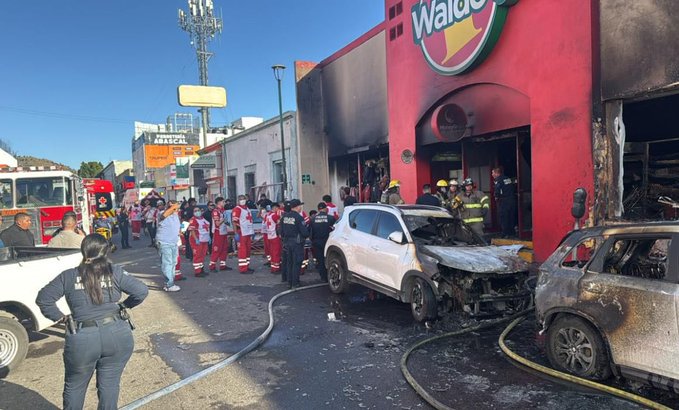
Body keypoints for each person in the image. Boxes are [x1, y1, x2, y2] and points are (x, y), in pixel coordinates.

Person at [35, 234, 148, 410]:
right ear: (105, 252)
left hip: (83, 337)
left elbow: (44, 299)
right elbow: (141, 291)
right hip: (117, 333)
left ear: (83, 251)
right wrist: (124, 305)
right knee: (110, 385)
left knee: (75, 387)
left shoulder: (69, 276)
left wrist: (61, 317)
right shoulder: (114, 271)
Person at [280, 199, 309, 289]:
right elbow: (305, 233)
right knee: (296, 262)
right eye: (300, 205)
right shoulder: (299, 217)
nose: (301, 207)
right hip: (296, 243)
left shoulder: (284, 217)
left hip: (287, 242)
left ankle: (289, 282)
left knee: (289, 262)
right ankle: (295, 283)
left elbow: (281, 231)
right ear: (297, 207)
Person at [156, 200, 183, 291]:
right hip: (164, 243)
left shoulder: (176, 216)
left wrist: (179, 232)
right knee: (167, 263)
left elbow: (176, 227)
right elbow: (164, 215)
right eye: (175, 208)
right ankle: (169, 284)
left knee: (173, 263)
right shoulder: (162, 213)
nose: (177, 209)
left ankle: (170, 282)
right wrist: (173, 206)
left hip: (173, 242)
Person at [310, 202, 336, 282]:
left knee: (320, 260)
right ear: (325, 209)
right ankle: (331, 276)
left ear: (318, 209)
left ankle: (323, 277)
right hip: (328, 241)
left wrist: (312, 241)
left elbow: (311, 232)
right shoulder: (331, 218)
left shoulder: (313, 219)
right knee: (330, 259)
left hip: (317, 242)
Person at [492, 167, 518, 238]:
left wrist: (496, 197)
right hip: (512, 200)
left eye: (493, 173)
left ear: (497, 173)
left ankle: (505, 233)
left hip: (504, 201)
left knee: (504, 217)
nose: (492, 174)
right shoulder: (508, 179)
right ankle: (512, 232)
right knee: (511, 216)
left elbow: (497, 190)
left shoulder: (498, 180)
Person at [208, 197, 232, 272]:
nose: (224, 203)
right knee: (216, 249)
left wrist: (227, 223)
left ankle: (223, 265)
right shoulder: (215, 211)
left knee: (224, 249)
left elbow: (225, 221)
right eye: (223, 202)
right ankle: (212, 266)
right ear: (219, 202)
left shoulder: (223, 211)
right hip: (218, 232)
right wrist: (223, 220)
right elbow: (217, 223)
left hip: (224, 232)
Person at [232, 195, 255, 273]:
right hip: (241, 232)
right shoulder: (237, 209)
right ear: (238, 200)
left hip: (248, 232)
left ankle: (247, 266)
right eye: (241, 199)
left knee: (248, 251)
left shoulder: (247, 209)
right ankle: (243, 268)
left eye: (244, 199)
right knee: (242, 251)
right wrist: (235, 233)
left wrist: (252, 231)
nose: (242, 200)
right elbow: (234, 222)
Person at [188, 207, 210, 277]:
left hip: (204, 239)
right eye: (195, 211)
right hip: (197, 240)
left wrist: (208, 237)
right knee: (197, 255)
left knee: (202, 255)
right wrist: (196, 239)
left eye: (198, 210)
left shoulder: (202, 219)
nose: (197, 212)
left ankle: (201, 269)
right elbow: (192, 230)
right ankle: (197, 272)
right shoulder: (193, 220)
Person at [264, 203, 282, 273]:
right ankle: (275, 268)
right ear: (275, 208)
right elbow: (279, 224)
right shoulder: (274, 215)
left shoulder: (268, 215)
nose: (278, 210)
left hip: (269, 235)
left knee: (272, 252)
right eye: (277, 208)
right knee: (276, 252)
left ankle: (273, 266)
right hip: (275, 236)